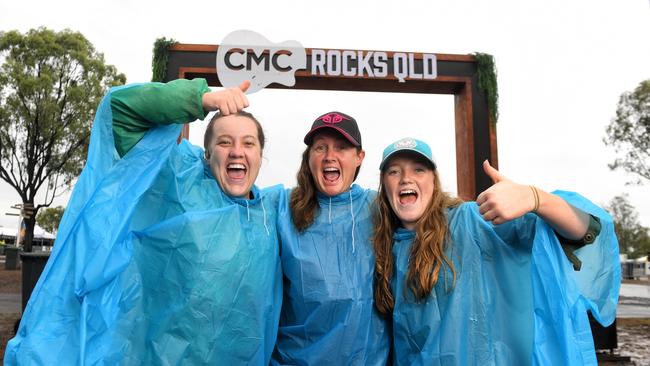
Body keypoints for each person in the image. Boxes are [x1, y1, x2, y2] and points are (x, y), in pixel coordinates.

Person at [6, 79, 284, 365]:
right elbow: (119, 111)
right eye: (224, 142)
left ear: (260, 155)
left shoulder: (274, 212)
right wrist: (200, 99)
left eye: (248, 143)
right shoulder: (176, 181)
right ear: (207, 155)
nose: (237, 151)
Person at [373, 137, 620, 365]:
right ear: (384, 184)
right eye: (394, 171)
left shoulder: (470, 222)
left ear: (433, 181)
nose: (406, 178)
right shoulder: (385, 248)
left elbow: (583, 231)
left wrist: (537, 199)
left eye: (418, 169)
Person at [272, 112, 390, 365]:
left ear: (359, 157)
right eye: (321, 147)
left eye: (342, 147)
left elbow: (435, 214)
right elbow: (232, 196)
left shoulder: (381, 208)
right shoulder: (282, 207)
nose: (329, 156)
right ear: (309, 157)